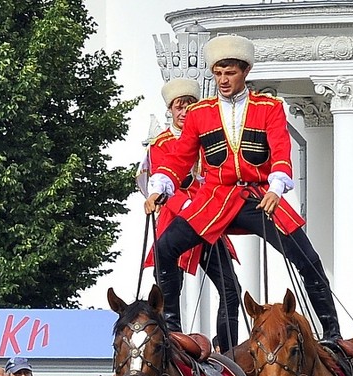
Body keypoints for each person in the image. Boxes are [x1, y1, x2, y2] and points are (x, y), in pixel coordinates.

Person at [144, 34, 341, 339]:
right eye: (218, 73)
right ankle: (171, 329)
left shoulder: (269, 107)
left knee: (308, 259)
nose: (223, 80)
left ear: (245, 71)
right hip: (214, 199)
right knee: (165, 248)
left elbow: (280, 150)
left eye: (230, 72)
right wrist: (160, 188)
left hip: (259, 195)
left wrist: (276, 188)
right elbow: (181, 157)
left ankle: (332, 333)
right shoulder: (200, 113)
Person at [143, 77, 241, 351]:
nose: (185, 111)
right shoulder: (161, 144)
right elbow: (167, 188)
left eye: (189, 105)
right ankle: (172, 341)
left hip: (210, 220)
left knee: (230, 290)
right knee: (168, 292)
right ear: (171, 111)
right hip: (176, 223)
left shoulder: (210, 138)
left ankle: (227, 347)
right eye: (179, 106)